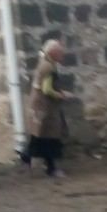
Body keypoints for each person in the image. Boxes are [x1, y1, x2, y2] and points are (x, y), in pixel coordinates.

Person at [25, 38, 71, 177]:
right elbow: (47, 89)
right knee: (49, 136)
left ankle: (27, 157)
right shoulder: (48, 67)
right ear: (52, 53)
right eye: (59, 52)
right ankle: (50, 167)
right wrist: (61, 95)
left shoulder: (44, 63)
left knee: (39, 135)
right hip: (45, 107)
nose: (62, 55)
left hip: (39, 105)